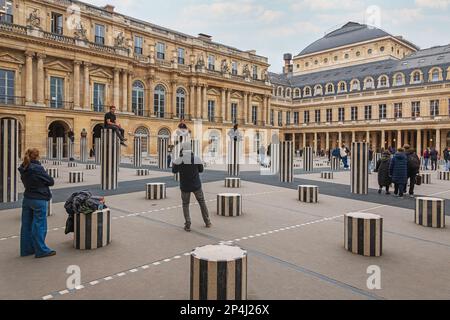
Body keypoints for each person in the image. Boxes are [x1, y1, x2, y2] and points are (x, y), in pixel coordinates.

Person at [18, 149, 56, 258]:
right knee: (39, 225)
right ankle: (41, 250)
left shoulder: (23, 167)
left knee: (26, 225)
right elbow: (50, 181)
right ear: (37, 156)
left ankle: (26, 250)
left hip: (27, 198)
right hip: (39, 198)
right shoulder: (37, 168)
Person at [172, 142, 212, 232]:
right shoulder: (196, 158)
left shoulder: (179, 160)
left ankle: (188, 224)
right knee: (202, 202)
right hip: (196, 185)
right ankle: (207, 222)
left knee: (185, 205)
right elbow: (201, 170)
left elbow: (174, 171)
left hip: (185, 186)